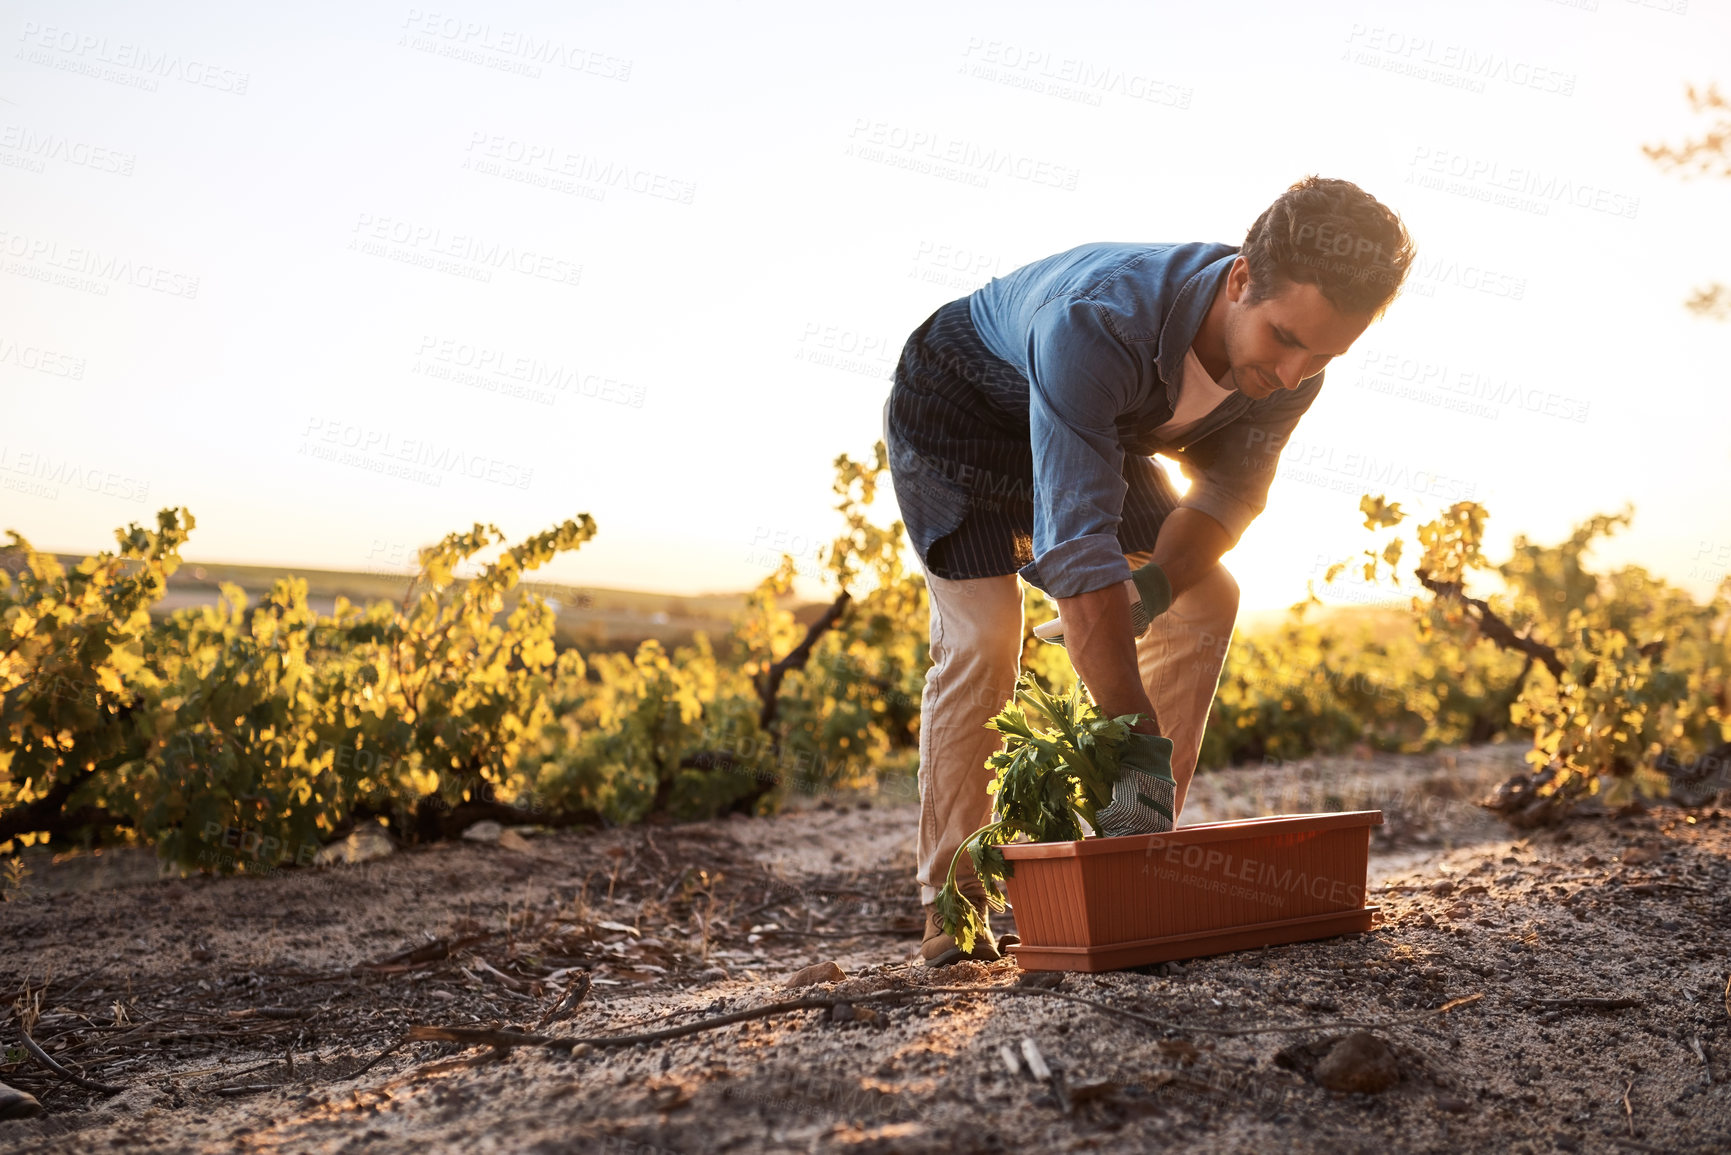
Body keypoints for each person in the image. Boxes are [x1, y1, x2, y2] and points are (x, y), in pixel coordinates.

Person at [882, 176, 1415, 967]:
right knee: (986, 636)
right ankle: (954, 900)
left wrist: (1153, 588)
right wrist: (1132, 741)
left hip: (1102, 430)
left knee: (1207, 599)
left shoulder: (1295, 364)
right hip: (960, 413)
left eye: (1323, 353)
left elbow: (1229, 495)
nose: (1296, 371)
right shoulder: (1097, 325)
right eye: (1282, 338)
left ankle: (1129, 861)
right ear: (1240, 281)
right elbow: (1078, 552)